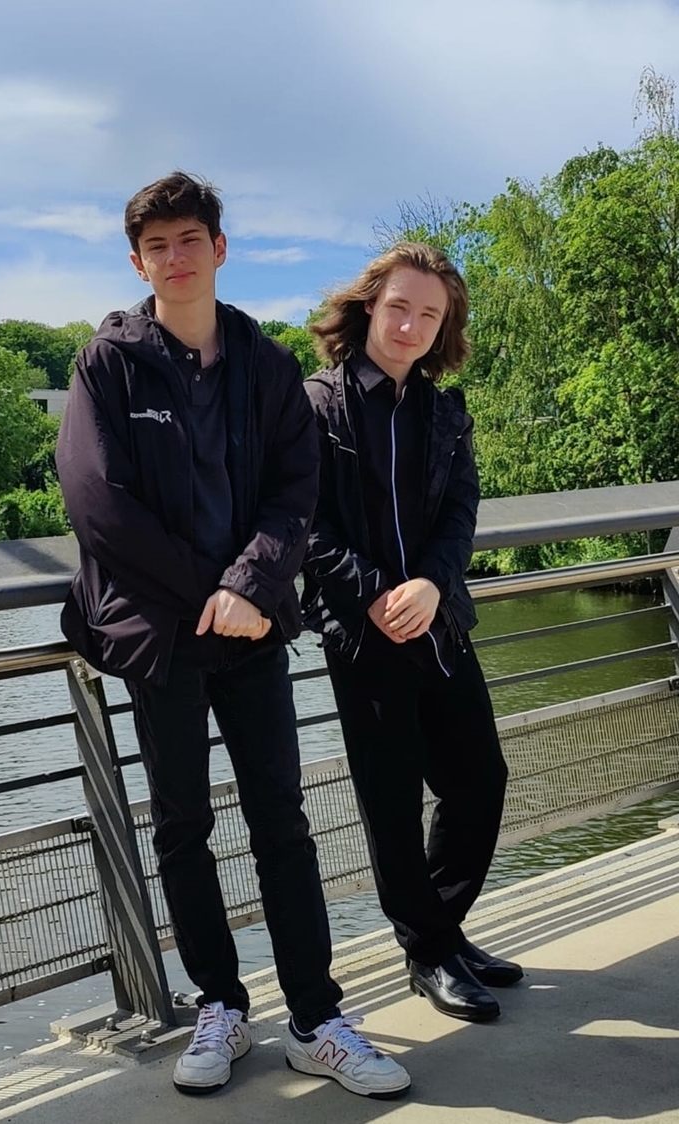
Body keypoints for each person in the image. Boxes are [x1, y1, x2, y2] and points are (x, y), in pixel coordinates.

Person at [56, 172, 410, 1099]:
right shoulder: (107, 364)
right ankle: (219, 1005)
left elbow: (298, 489)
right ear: (138, 262)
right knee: (182, 826)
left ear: (220, 247)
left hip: (251, 628)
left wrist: (250, 585)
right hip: (162, 635)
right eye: (157, 246)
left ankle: (316, 1019)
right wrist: (211, 591)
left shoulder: (264, 363)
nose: (176, 258)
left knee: (282, 825)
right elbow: (98, 504)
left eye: (190, 239)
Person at [302, 242, 523, 1025]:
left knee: (480, 780)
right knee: (391, 802)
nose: (411, 325)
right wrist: (375, 595)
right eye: (400, 306)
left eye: (429, 314)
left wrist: (432, 584)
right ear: (370, 306)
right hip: (365, 636)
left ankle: (443, 930)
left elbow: (461, 512)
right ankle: (428, 952)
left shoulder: (444, 411)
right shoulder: (316, 406)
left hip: (438, 622)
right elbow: (304, 524)